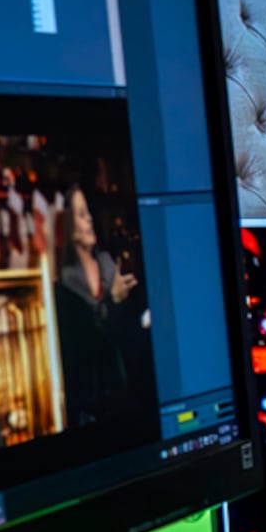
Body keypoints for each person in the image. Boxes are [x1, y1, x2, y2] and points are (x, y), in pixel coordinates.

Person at [46, 187, 152, 441]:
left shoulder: (108, 263)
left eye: (89, 213)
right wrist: (112, 301)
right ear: (67, 223)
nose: (90, 219)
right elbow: (83, 346)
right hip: (91, 407)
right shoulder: (63, 284)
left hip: (128, 392)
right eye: (81, 214)